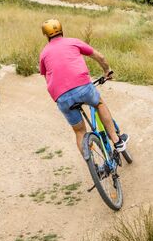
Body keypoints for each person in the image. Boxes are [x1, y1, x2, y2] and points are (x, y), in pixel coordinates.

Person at [39, 18, 129, 155]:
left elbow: (47, 77)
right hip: (83, 87)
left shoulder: (44, 53)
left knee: (80, 131)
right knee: (99, 104)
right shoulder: (72, 42)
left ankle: (92, 162)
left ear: (45, 35)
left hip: (61, 97)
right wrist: (107, 71)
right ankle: (117, 141)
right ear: (62, 30)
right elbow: (100, 57)